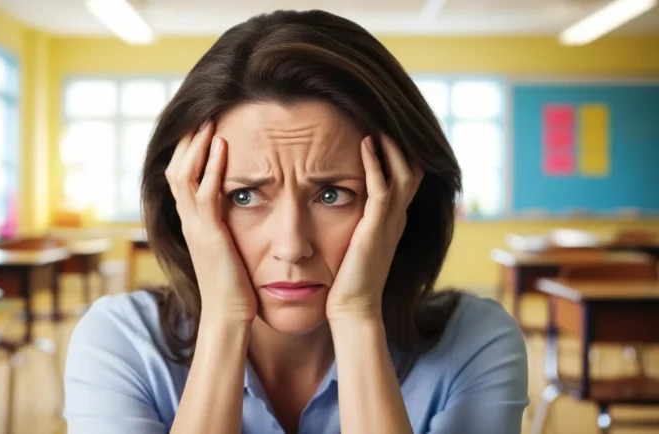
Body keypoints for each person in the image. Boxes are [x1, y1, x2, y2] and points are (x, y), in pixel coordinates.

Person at [64, 9, 528, 434]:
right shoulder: (118, 344)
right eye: (244, 196)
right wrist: (225, 321)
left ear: (401, 200)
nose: (291, 246)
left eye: (332, 195)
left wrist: (356, 318)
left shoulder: (476, 344)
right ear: (186, 204)